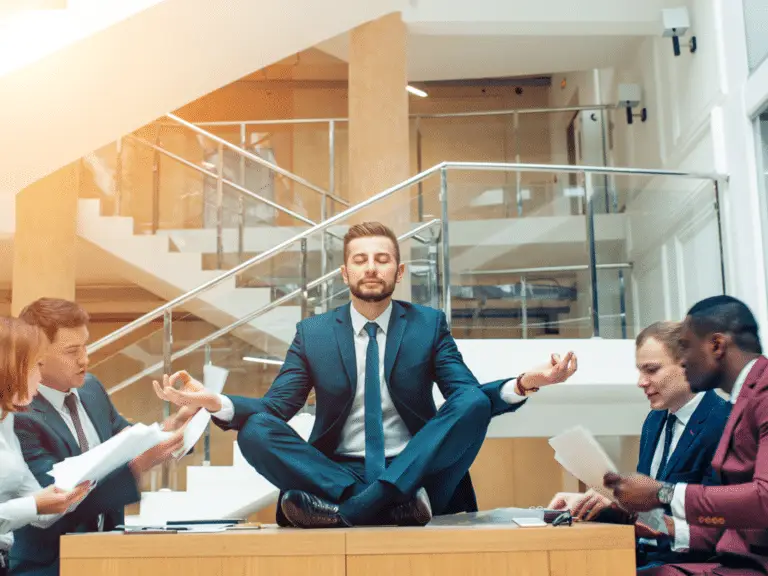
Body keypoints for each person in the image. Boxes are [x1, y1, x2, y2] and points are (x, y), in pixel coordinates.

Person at [155, 221, 578, 529]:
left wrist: (523, 384)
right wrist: (217, 404)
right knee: (254, 430)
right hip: (336, 472)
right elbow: (275, 409)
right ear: (345, 273)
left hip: (417, 472)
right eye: (360, 260)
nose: (371, 267)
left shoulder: (428, 325)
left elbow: (466, 397)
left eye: (382, 259)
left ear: (399, 271)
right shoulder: (313, 334)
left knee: (468, 403)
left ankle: (355, 510)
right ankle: (374, 502)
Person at [10, 298, 185, 576]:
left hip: (109, 556)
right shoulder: (19, 416)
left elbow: (126, 438)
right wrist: (138, 465)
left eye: (86, 346)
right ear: (37, 355)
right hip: (51, 565)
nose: (85, 359)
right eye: (72, 351)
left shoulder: (91, 390)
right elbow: (55, 501)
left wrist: (174, 426)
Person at [604, 295, 768, 576]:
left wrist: (663, 494)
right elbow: (728, 525)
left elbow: (764, 500)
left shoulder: (761, 394)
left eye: (686, 349)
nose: (683, 362)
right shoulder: (744, 398)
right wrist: (655, 523)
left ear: (716, 345)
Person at [549, 321, 730, 568]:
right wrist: (601, 502)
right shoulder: (654, 421)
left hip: (691, 564)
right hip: (642, 557)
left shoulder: (725, 424)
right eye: (640, 371)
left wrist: (649, 521)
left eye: (651, 370)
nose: (641, 382)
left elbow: (722, 532)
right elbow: (645, 507)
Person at [0, 317, 91, 576]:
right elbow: (33, 505)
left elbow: (37, 507)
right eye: (37, 365)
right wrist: (36, 505)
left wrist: (68, 497)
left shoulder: (7, 423)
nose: (40, 377)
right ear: (10, 366)